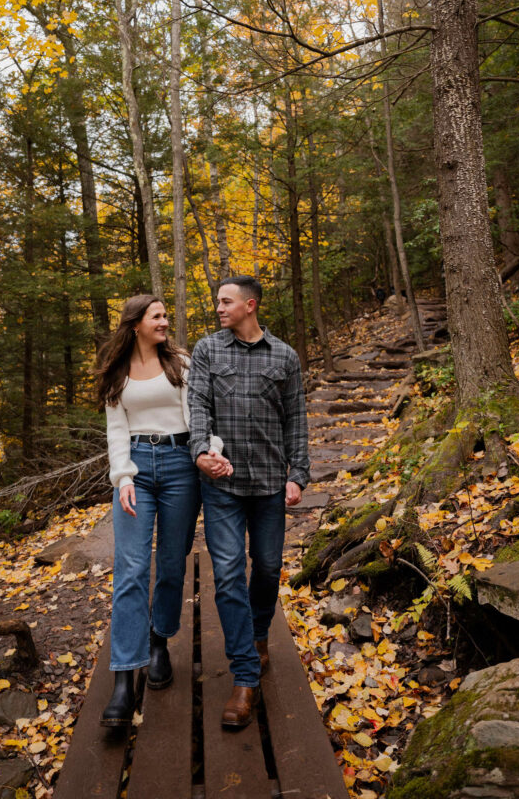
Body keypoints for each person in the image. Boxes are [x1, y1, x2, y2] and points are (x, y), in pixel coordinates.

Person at [188, 275, 309, 729]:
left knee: (268, 565)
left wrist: (298, 474)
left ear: (250, 305)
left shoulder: (284, 356)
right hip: (221, 487)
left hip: (269, 485)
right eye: (217, 300)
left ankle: (259, 635)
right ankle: (244, 678)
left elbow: (296, 417)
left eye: (226, 301)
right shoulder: (207, 350)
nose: (218, 307)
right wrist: (201, 451)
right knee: (228, 576)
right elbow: (197, 403)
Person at [96, 294, 201, 727]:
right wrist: (122, 477)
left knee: (172, 566)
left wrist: (207, 453)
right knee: (131, 569)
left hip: (181, 467)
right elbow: (116, 430)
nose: (165, 321)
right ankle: (123, 678)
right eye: (157, 316)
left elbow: (199, 417)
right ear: (136, 323)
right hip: (137, 469)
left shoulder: (181, 363)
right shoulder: (117, 372)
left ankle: (159, 641)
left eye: (164, 314)